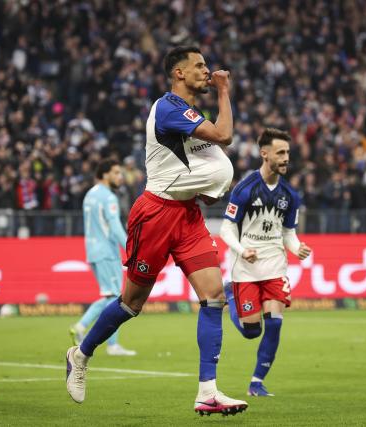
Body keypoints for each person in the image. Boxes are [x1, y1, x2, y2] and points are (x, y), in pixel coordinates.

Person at [65, 45, 247, 416]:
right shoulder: (168, 108)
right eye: (199, 66)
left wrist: (210, 186)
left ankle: (207, 392)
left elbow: (204, 159)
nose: (207, 72)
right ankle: (80, 355)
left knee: (214, 296)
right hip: (156, 214)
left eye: (207, 66)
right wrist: (226, 90)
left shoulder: (190, 114)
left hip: (188, 214)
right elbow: (225, 136)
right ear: (179, 73)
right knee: (131, 304)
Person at [219, 128, 311, 397]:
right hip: (246, 267)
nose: (285, 158)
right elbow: (226, 229)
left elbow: (288, 233)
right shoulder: (245, 189)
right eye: (281, 153)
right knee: (251, 331)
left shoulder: (291, 195)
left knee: (274, 323)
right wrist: (241, 249)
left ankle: (257, 382)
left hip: (274, 266)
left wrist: (297, 248)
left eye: (287, 153)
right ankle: (231, 296)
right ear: (264, 153)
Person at [69, 159, 136, 356]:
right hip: (106, 251)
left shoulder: (89, 194)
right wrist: (130, 249)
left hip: (92, 250)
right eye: (116, 172)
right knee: (116, 298)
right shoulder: (108, 197)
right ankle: (109, 343)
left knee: (109, 295)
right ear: (105, 174)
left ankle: (82, 328)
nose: (120, 177)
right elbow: (114, 227)